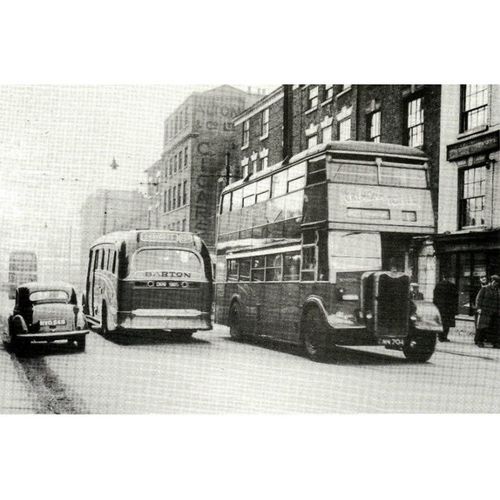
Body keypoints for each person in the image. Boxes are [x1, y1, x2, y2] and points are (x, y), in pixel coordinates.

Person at [475, 274, 500, 348]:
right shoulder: (485, 289)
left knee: (494, 328)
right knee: (483, 327)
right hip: (485, 311)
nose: (496, 284)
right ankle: (480, 341)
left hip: (495, 311)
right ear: (492, 281)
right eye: (495, 282)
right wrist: (479, 308)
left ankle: (495, 343)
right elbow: (479, 299)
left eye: (497, 283)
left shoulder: (498, 291)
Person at [433, 275, 459, 342]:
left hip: (440, 308)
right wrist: (455, 309)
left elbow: (435, 298)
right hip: (449, 309)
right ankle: (444, 337)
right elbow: (456, 299)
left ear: (443, 277)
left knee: (441, 323)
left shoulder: (438, 285)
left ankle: (440, 337)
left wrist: (435, 307)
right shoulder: (452, 286)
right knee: (447, 324)